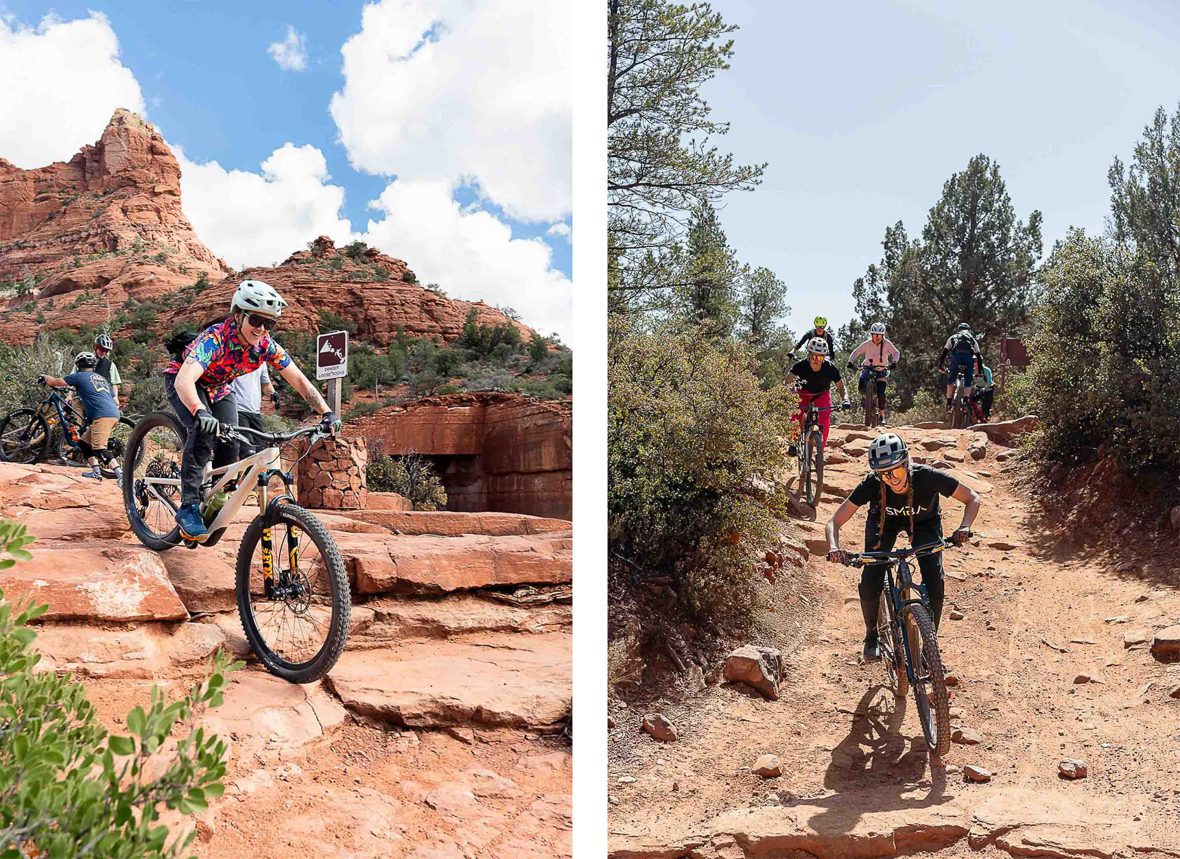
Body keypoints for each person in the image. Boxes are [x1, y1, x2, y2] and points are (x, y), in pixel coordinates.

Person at [165, 279, 341, 543]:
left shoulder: (266, 346)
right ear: (239, 315)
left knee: (231, 440)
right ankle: (189, 507)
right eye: (256, 320)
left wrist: (327, 413)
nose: (261, 329)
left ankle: (217, 498)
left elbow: (300, 381)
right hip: (187, 382)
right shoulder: (215, 339)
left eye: (269, 323)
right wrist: (200, 411)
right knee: (203, 434)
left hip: (219, 387)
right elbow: (184, 381)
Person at [824, 433, 981, 662]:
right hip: (883, 522)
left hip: (925, 522)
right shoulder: (872, 484)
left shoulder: (927, 477)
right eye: (884, 474)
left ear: (907, 462)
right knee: (871, 576)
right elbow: (834, 521)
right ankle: (872, 636)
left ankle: (930, 645)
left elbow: (972, 498)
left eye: (896, 470)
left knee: (934, 579)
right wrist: (833, 547)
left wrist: (964, 527)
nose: (892, 478)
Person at [39, 352, 123, 485]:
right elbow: (114, 398)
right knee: (84, 443)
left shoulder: (79, 376)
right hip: (113, 413)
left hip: (102, 415)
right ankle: (96, 472)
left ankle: (121, 475)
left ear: (78, 365)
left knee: (99, 448)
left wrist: (44, 377)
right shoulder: (101, 378)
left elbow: (55, 382)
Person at [785, 336, 849, 455]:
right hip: (802, 392)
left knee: (825, 416)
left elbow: (841, 387)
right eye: (813, 356)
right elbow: (788, 381)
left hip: (821, 393)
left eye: (819, 357)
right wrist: (789, 393)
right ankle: (793, 442)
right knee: (795, 414)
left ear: (824, 357)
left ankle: (821, 450)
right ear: (808, 354)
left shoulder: (830, 368)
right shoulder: (800, 366)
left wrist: (845, 399)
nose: (816, 360)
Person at [846, 322, 901, 425]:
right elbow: (856, 352)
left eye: (879, 335)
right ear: (871, 334)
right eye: (874, 335)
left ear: (882, 335)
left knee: (881, 393)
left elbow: (896, 352)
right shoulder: (867, 344)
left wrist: (894, 362)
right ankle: (867, 402)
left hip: (881, 370)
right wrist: (850, 362)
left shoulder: (887, 344)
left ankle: (881, 416)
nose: (876, 337)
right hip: (867, 368)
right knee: (861, 386)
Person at [229, 363, 280, 458]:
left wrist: (273, 395)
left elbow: (265, 384)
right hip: (238, 410)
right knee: (248, 453)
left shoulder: (261, 361)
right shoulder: (235, 356)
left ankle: (256, 473)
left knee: (262, 452)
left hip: (255, 412)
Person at [938, 323, 983, 410]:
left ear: (958, 330)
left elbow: (944, 352)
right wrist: (979, 372)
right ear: (968, 330)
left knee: (951, 379)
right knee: (968, 378)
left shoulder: (953, 337)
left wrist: (940, 365)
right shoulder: (971, 339)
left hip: (956, 358)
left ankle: (948, 402)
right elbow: (978, 356)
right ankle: (966, 399)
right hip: (968, 358)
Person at [93, 333, 122, 405]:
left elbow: (114, 384)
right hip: (83, 397)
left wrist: (115, 398)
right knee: (75, 413)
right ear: (96, 347)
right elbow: (74, 376)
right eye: (102, 349)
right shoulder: (84, 360)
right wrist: (69, 395)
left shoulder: (110, 365)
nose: (103, 353)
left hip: (102, 398)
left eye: (106, 351)